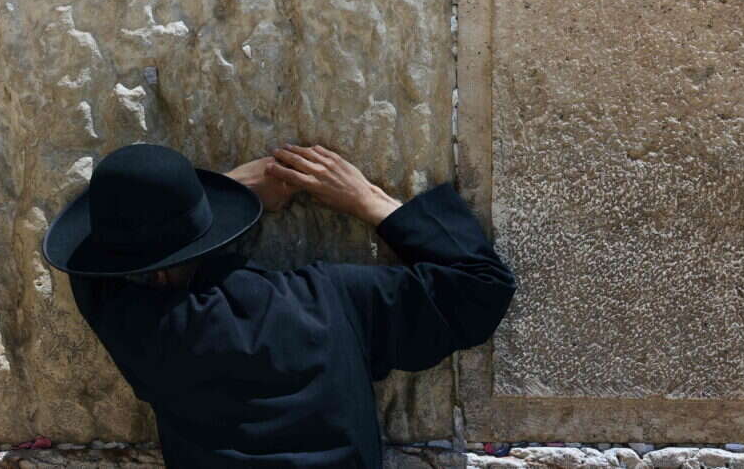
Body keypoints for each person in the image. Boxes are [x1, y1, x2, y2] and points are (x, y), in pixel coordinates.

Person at [42, 142, 517, 468]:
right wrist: (366, 199)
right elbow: (481, 289)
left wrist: (226, 195)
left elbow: (93, 275)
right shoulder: (332, 302)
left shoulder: (140, 331)